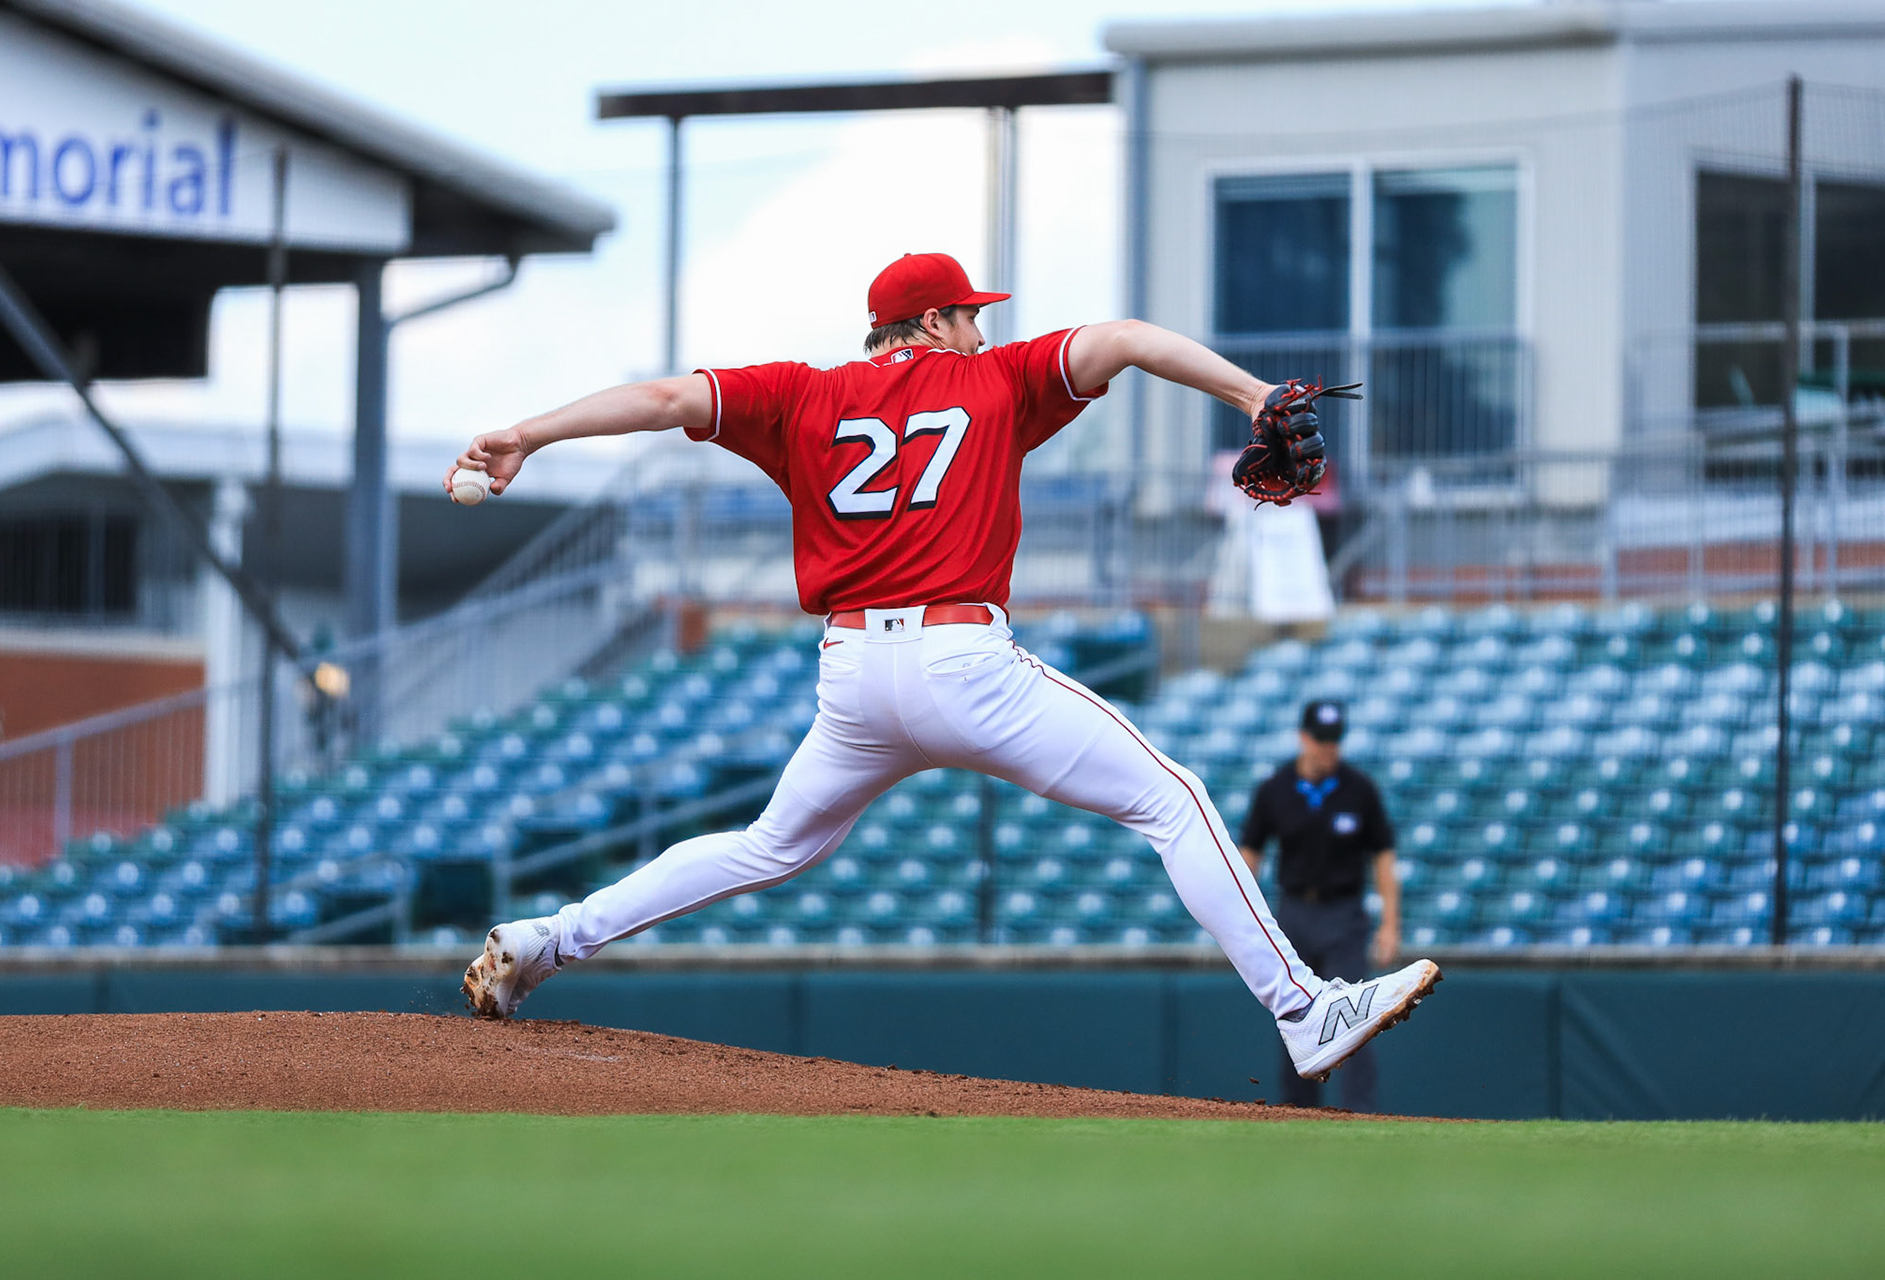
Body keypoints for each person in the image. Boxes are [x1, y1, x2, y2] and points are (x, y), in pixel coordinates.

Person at [451, 251, 1438, 1087]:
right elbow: (1129, 337)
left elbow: (668, 398)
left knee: (768, 843)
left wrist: (528, 432)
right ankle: (1303, 1006)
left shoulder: (801, 391)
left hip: (851, 677)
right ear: (930, 319)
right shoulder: (997, 378)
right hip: (965, 661)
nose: (979, 328)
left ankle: (547, 938)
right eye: (968, 315)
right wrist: (1255, 395)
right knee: (1172, 799)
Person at [1239, 699, 1403, 1112]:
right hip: (1293, 915)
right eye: (1322, 740)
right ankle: (1300, 1116)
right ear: (1304, 738)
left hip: (1344, 916)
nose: (1329, 748)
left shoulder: (1359, 789)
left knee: (1355, 1020)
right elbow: (1249, 857)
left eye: (1335, 740)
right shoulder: (1274, 789)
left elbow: (1383, 856)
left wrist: (1390, 925)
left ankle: (1360, 1115)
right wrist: (1244, 923)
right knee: (1295, 1020)